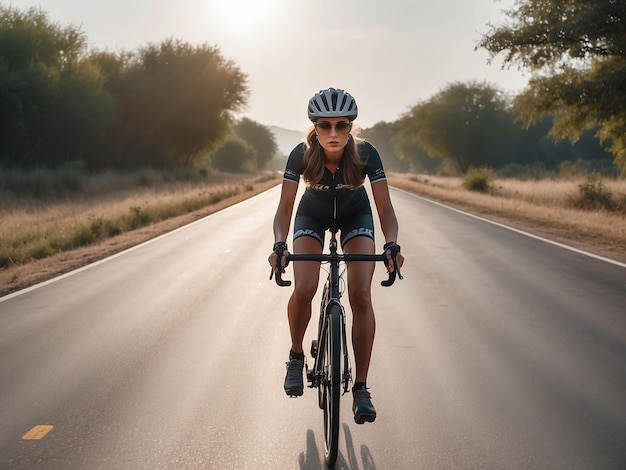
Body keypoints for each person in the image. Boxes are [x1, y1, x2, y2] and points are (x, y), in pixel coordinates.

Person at [269, 87, 403, 424]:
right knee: (305, 287)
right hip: (311, 216)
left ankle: (361, 388)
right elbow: (285, 206)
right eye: (325, 125)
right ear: (314, 126)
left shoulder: (367, 153)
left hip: (355, 216)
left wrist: (392, 244)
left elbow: (384, 207)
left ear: (350, 127)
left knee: (360, 295)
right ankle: (297, 357)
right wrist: (279, 244)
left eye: (341, 125)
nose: (333, 133)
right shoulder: (301, 154)